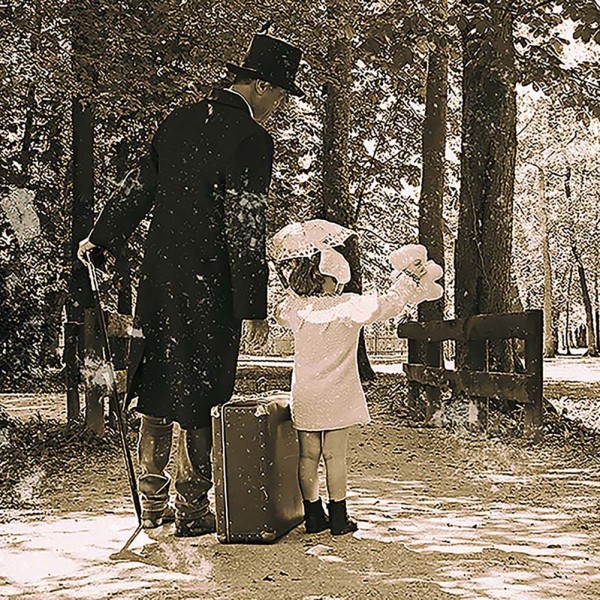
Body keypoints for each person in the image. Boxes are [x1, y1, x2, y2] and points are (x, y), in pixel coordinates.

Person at [77, 33, 304, 537]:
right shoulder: (251, 140)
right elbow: (245, 226)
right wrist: (254, 306)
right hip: (213, 286)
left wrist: (99, 237)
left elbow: (138, 187)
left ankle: (153, 503)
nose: (280, 105)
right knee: (204, 388)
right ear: (262, 86)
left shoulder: (179, 121)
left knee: (156, 381)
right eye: (281, 94)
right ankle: (192, 508)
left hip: (159, 280)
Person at [274, 227, 443, 535]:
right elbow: (389, 303)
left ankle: (313, 515)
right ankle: (339, 517)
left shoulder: (296, 308)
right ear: (331, 280)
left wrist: (291, 288)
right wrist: (409, 279)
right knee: (335, 456)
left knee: (308, 455)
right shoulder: (348, 305)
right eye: (338, 281)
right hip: (337, 393)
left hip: (306, 393)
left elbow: (278, 312)